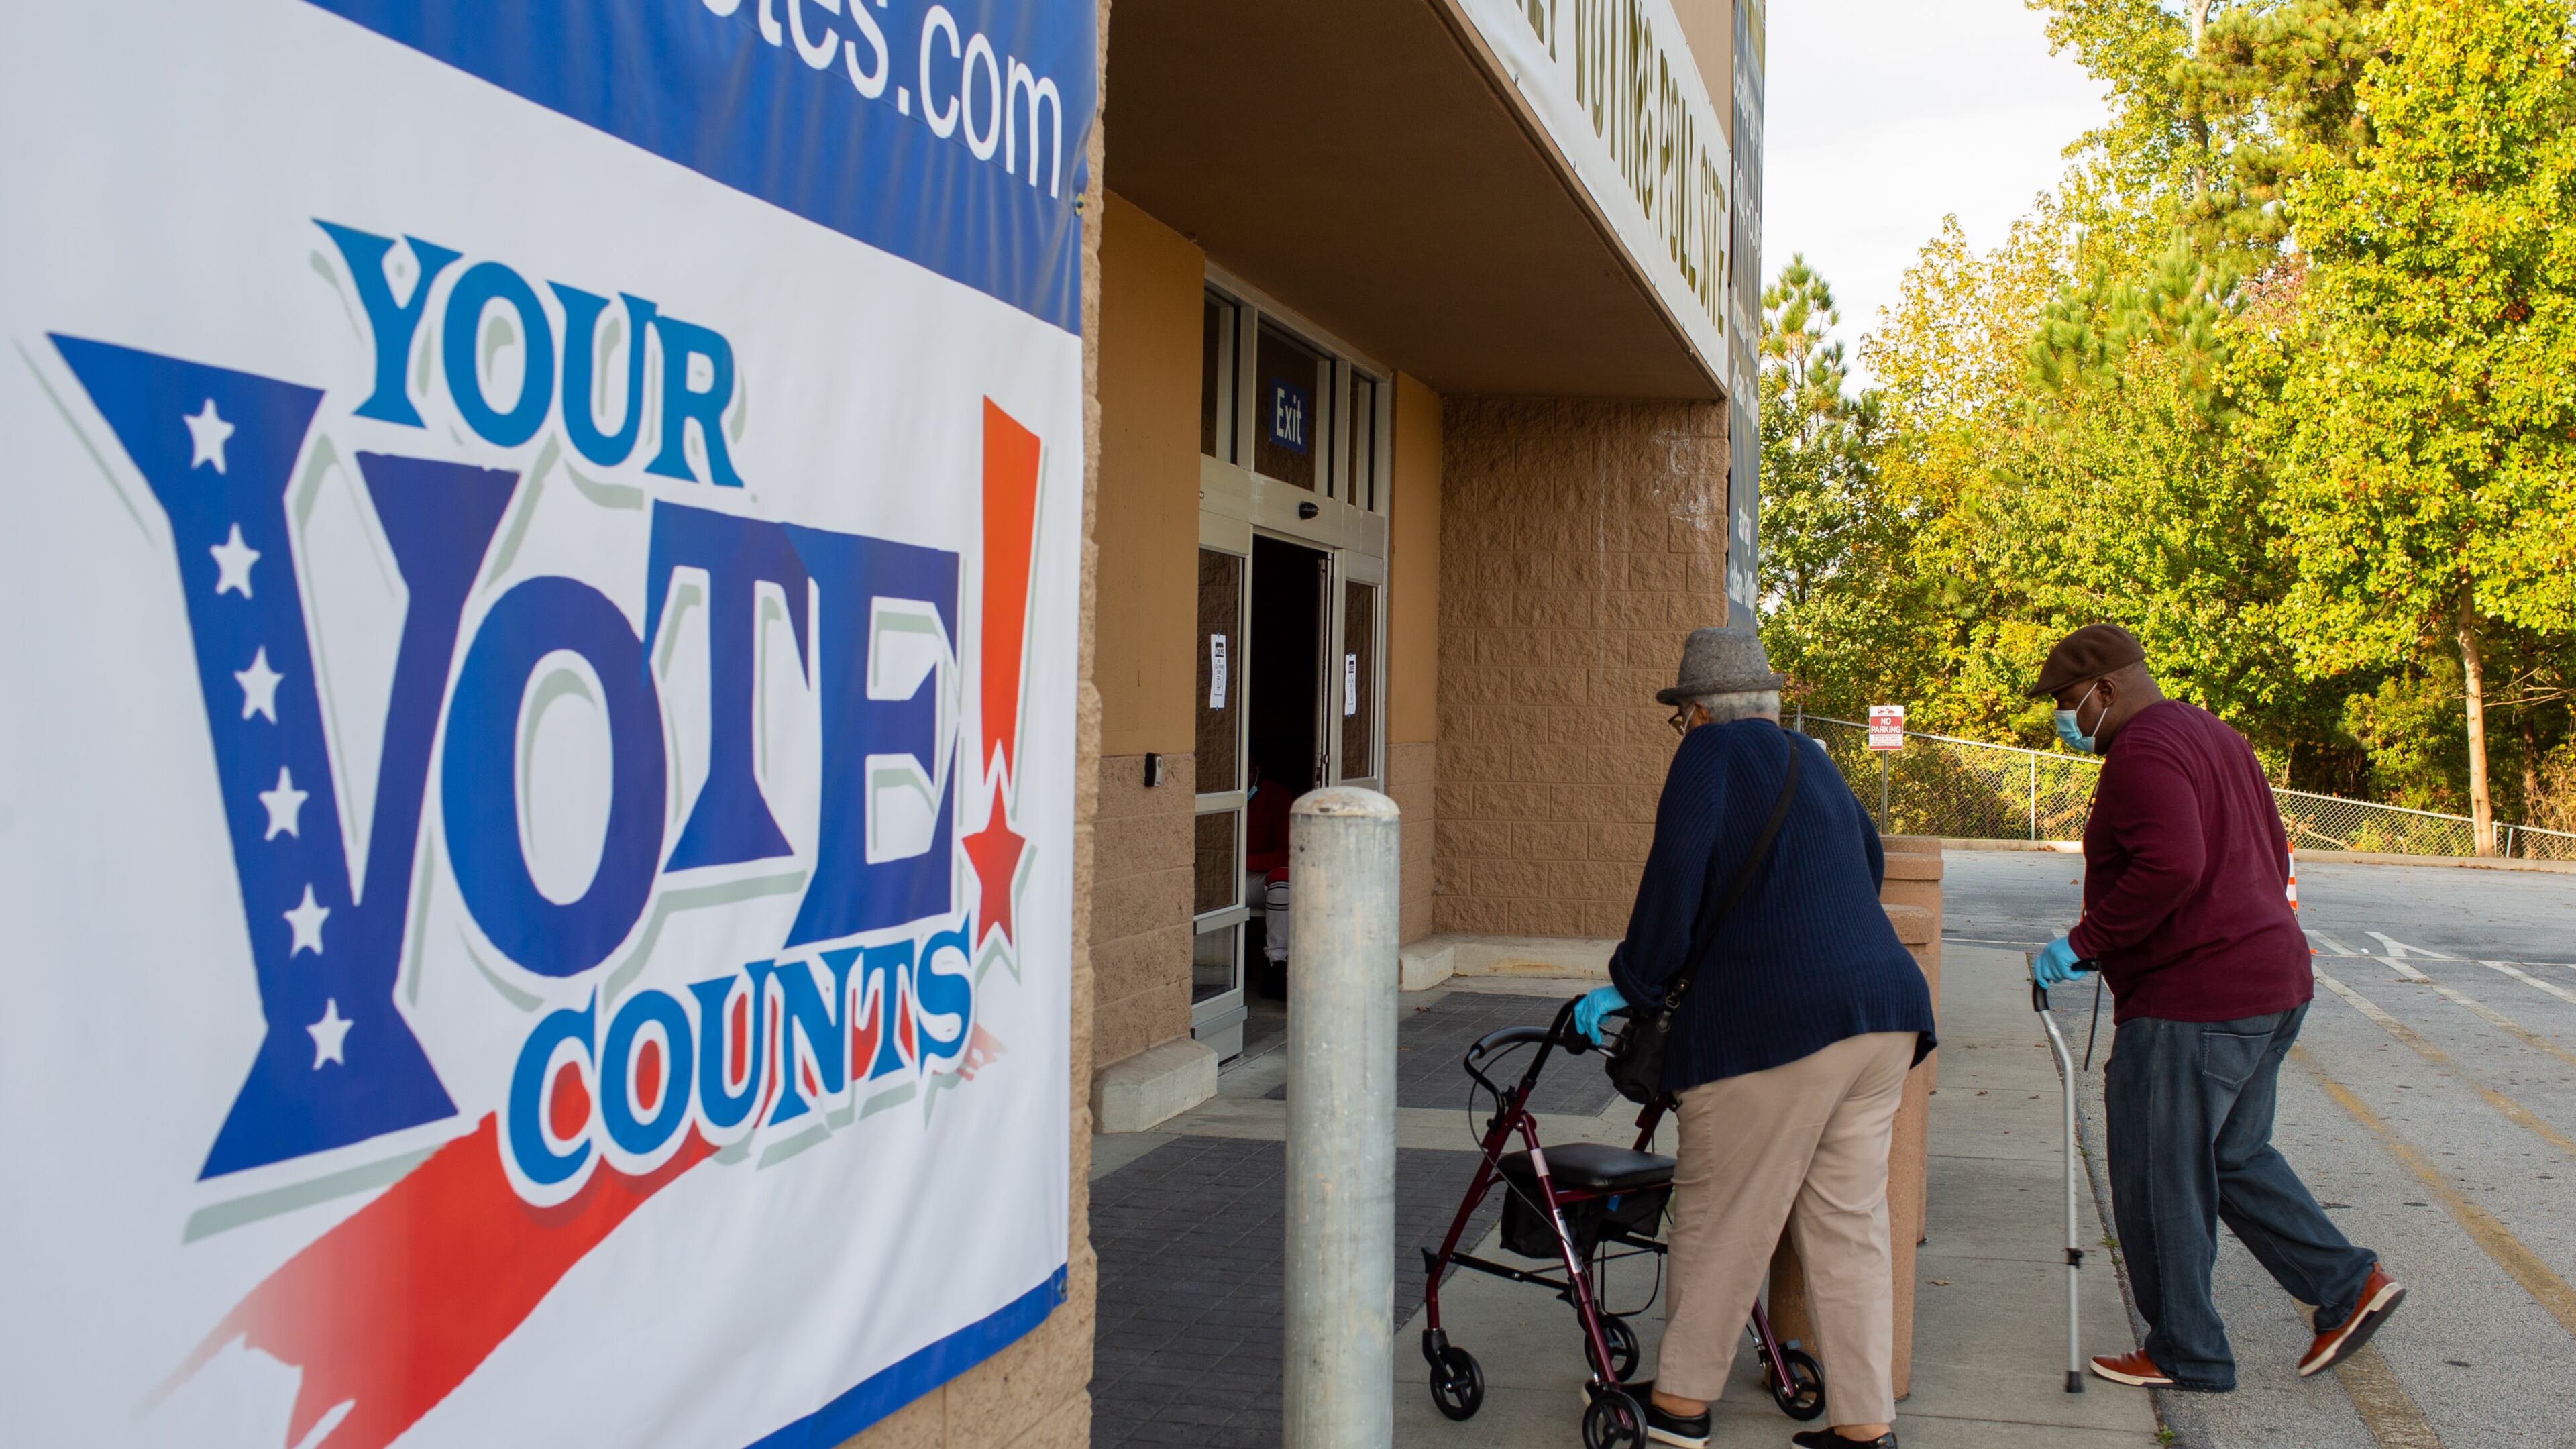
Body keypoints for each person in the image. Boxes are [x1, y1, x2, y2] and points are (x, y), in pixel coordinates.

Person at [1572, 627, 1935, 1449]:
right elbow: (1867, 864)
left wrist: (1630, 983)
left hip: (1775, 1028)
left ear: (1698, 712)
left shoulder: (1709, 758)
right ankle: (1864, 1425)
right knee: (1849, 1224)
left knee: (1719, 1214)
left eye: (1682, 719)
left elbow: (1674, 884)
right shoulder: (1814, 759)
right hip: (1883, 1015)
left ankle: (1679, 1407)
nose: (1684, 732)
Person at [2026, 623, 2404, 1392]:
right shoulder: (2216, 736)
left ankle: (2186, 1350)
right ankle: (2347, 1285)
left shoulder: (2139, 753)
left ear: (2106, 690)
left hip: (2194, 1000)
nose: (2063, 720)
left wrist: (2085, 941)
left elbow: (2173, 864)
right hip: (2270, 981)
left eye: (2067, 703)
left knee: (2157, 1173)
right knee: (2231, 1156)